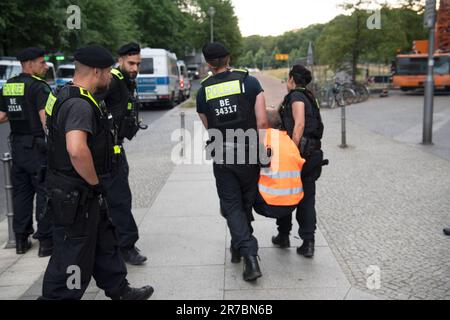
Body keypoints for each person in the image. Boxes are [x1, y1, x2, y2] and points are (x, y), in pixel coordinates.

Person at [40, 44, 153, 300]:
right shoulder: (79, 104)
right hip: (77, 193)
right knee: (72, 257)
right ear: (97, 72)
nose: (110, 78)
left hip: (80, 192)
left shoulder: (63, 93)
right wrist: (94, 183)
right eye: (108, 73)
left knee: (104, 240)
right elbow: (76, 149)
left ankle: (120, 290)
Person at [197, 42, 269, 282]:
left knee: (232, 205)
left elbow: (209, 127)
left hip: (223, 154)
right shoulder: (249, 82)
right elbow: (261, 122)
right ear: (229, 58)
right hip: (249, 153)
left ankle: (246, 253)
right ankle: (243, 247)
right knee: (244, 202)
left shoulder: (203, 90)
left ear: (208, 63)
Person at [97, 42, 147, 265]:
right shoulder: (114, 81)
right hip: (108, 151)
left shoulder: (125, 80)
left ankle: (112, 243)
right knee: (119, 199)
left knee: (113, 200)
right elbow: (94, 105)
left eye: (138, 63)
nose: (135, 67)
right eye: (131, 63)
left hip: (115, 147)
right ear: (120, 60)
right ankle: (126, 246)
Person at [0, 47, 53, 257]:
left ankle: (21, 240)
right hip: (38, 147)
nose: (46, 66)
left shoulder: (10, 85)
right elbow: (45, 121)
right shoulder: (40, 87)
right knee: (44, 191)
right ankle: (46, 242)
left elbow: (3, 115)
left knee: (21, 194)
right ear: (29, 64)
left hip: (17, 147)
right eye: (42, 62)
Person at [272, 65, 327, 258]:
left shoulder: (296, 97)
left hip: (299, 155)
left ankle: (284, 235)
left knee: (286, 195)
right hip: (313, 153)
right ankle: (308, 242)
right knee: (307, 199)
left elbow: (300, 123)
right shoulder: (310, 96)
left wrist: (292, 152)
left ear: (291, 79)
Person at [253, 108, 305, 222]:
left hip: (268, 204)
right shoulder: (289, 141)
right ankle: (283, 234)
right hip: (292, 203)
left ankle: (245, 234)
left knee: (242, 185)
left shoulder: (263, 141)